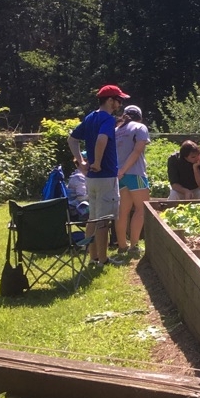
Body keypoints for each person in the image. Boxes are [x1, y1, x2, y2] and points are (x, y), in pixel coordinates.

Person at [67, 84, 126, 267]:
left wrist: (82, 163)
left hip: (91, 178)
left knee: (93, 217)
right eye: (119, 100)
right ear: (110, 100)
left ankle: (93, 258)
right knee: (104, 220)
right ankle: (103, 259)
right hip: (105, 175)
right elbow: (102, 139)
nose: (120, 104)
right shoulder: (107, 119)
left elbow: (72, 139)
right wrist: (98, 162)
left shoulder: (90, 117)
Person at [113, 105, 150, 260]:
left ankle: (122, 246)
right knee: (141, 209)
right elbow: (137, 151)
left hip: (119, 176)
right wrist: (125, 169)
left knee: (123, 212)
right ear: (139, 117)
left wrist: (119, 172)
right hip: (135, 174)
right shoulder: (140, 127)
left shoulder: (116, 131)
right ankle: (134, 246)